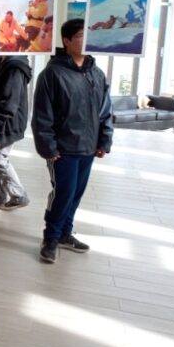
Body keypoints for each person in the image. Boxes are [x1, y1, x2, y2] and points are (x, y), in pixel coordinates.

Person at [31, 19, 114, 264]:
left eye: (87, 35)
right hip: (62, 149)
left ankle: (65, 233)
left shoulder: (96, 73)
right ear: (66, 41)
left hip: (88, 147)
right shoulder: (52, 74)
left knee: (76, 193)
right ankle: (50, 238)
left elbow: (105, 111)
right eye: (79, 36)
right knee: (63, 193)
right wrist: (49, 148)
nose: (85, 40)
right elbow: (42, 116)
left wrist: (104, 140)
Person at [0, 54, 32, 209]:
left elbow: (9, 100)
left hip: (6, 123)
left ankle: (19, 195)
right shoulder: (2, 62)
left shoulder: (14, 67)